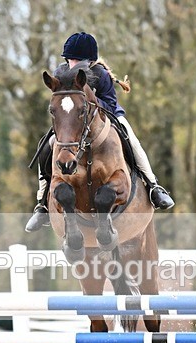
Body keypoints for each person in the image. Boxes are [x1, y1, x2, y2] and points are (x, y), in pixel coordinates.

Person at [26, 32, 174, 232]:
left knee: (131, 138)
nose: (72, 63)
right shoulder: (60, 73)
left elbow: (111, 103)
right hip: (71, 123)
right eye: (70, 59)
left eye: (76, 59)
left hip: (107, 117)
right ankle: (42, 203)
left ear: (89, 60)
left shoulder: (100, 74)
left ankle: (153, 186)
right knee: (46, 145)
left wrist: (90, 104)